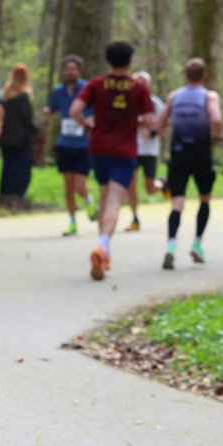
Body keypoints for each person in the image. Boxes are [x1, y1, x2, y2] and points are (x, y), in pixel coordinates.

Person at [69, 41, 155, 281]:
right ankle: (103, 246)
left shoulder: (96, 84)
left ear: (108, 60)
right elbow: (150, 120)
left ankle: (104, 253)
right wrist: (134, 121)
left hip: (98, 149)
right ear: (130, 62)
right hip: (124, 150)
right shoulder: (138, 87)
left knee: (104, 197)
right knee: (115, 201)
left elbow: (74, 110)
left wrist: (87, 125)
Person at [153, 57, 221, 268]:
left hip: (178, 154)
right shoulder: (209, 96)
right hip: (201, 154)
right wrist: (214, 137)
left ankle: (171, 246)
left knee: (177, 202)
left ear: (185, 76)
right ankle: (197, 244)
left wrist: (165, 133)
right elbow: (217, 120)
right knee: (204, 199)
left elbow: (159, 123)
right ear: (204, 76)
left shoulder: (175, 96)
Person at [46, 55, 92, 236]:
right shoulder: (58, 90)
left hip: (83, 144)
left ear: (79, 71)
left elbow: (94, 111)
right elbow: (52, 108)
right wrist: (48, 112)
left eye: (73, 69)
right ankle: (72, 221)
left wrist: (89, 122)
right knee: (68, 186)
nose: (70, 72)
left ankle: (88, 202)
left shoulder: (87, 89)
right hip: (64, 143)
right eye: (67, 69)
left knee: (80, 184)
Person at [125, 69, 163, 232]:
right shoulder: (127, 102)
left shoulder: (156, 103)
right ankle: (135, 218)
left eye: (143, 83)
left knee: (149, 189)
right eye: (137, 82)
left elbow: (163, 125)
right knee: (130, 184)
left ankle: (163, 184)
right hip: (132, 149)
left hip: (149, 151)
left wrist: (153, 132)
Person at [0, 63, 36, 206]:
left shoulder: (5, 93)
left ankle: (4, 193)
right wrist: (35, 131)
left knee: (7, 166)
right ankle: (17, 195)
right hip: (21, 139)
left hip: (5, 138)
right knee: (21, 167)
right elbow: (26, 118)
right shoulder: (23, 95)